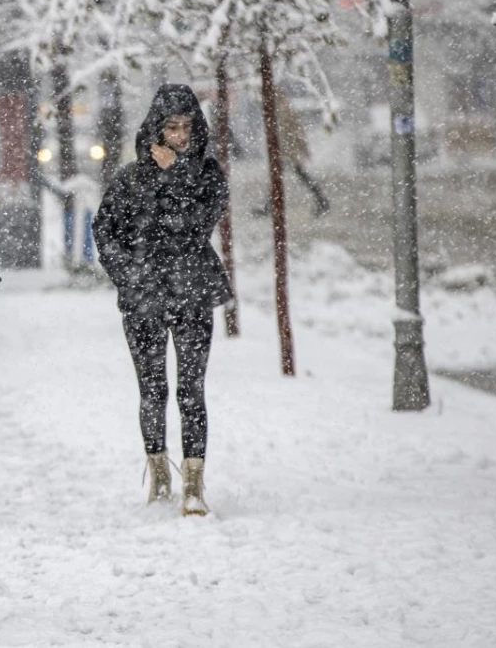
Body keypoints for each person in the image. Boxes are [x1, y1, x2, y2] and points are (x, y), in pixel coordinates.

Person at [92, 84, 234, 517]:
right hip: (143, 300)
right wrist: (129, 277)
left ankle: (194, 484)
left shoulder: (208, 176)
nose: (180, 135)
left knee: (191, 391)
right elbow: (105, 232)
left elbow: (196, 224)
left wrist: (177, 173)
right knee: (151, 391)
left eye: (187, 127)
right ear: (156, 127)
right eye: (171, 127)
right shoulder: (130, 178)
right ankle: (159, 476)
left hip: (191, 293)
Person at [253, 92, 330, 218]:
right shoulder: (281, 109)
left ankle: (321, 200)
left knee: (284, 176)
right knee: (295, 176)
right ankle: (321, 200)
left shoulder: (283, 110)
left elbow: (296, 130)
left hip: (289, 152)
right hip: (287, 152)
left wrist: (301, 147)